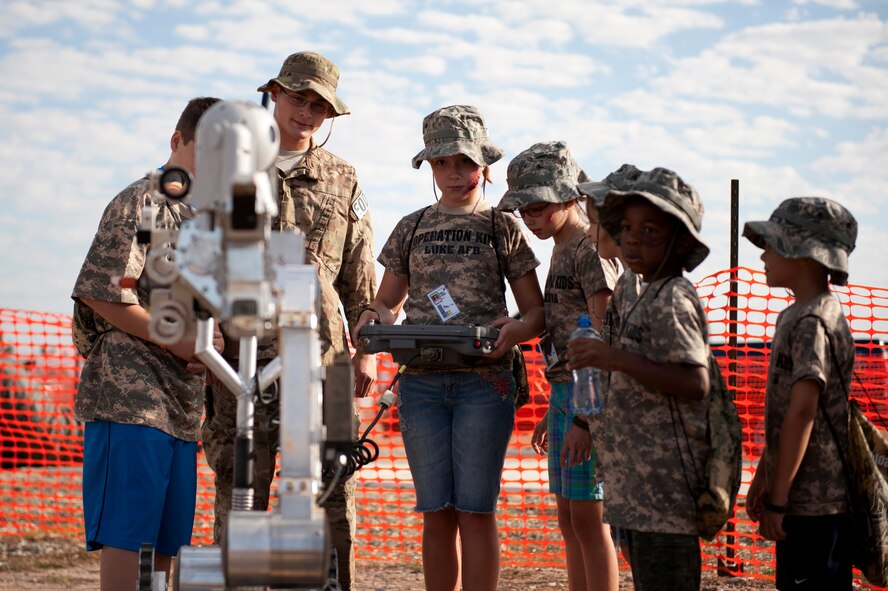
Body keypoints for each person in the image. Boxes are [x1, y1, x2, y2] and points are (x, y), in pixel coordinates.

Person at [199, 51, 376, 591]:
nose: (309, 112)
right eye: (300, 98)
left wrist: (367, 350)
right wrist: (202, 341)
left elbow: (359, 271)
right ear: (274, 93)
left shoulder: (343, 178)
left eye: (321, 105)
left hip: (324, 359)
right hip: (240, 359)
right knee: (240, 483)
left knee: (327, 488)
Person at [351, 105, 545, 591]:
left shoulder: (503, 226)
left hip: (485, 382)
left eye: (463, 161)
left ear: (484, 164)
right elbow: (386, 302)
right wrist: (371, 330)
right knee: (436, 512)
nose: (453, 173)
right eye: (441, 163)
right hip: (420, 386)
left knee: (476, 510)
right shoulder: (412, 226)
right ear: (430, 168)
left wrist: (514, 333)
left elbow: (535, 314)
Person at [71, 96, 223, 591]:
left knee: (165, 544)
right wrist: (182, 341)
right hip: (130, 396)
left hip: (180, 406)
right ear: (177, 141)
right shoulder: (144, 201)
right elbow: (104, 295)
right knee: (128, 537)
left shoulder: (201, 220)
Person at [566, 167, 712, 591]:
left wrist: (612, 358)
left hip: (665, 487)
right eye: (625, 227)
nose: (630, 238)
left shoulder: (672, 298)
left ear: (681, 241)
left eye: (648, 230)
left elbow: (694, 380)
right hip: (635, 481)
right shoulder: (635, 289)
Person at [496, 141, 619, 591]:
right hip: (570, 394)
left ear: (570, 197)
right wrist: (557, 409)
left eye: (539, 207)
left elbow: (604, 335)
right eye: (523, 210)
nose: (530, 218)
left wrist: (586, 418)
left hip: (593, 400)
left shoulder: (589, 249)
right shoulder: (562, 247)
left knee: (590, 520)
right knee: (570, 519)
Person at [743, 197, 857, 591]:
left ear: (807, 254)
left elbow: (803, 413)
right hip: (798, 495)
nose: (763, 256)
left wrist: (778, 498)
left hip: (817, 505)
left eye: (772, 244)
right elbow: (785, 420)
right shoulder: (796, 314)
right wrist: (765, 477)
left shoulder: (813, 320)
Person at [576, 163, 645, 567]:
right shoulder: (631, 286)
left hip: (643, 466)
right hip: (623, 458)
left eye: (595, 221)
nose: (588, 231)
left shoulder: (644, 290)